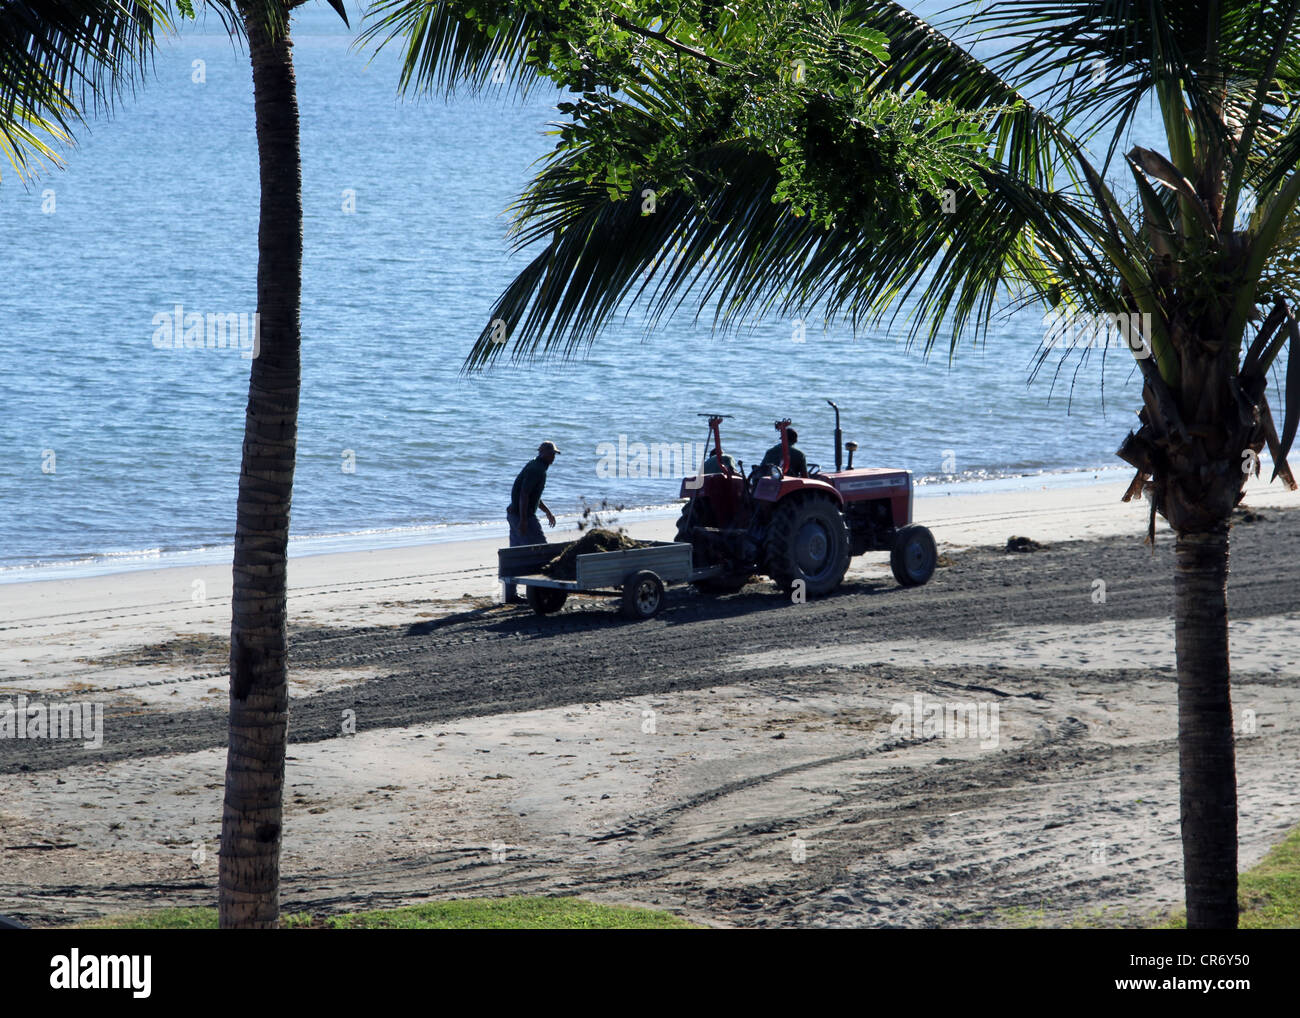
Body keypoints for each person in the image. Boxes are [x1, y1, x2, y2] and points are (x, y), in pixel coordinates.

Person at [505, 441, 559, 603]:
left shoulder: (537, 466)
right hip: (522, 516)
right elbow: (524, 494)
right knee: (542, 549)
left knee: (514, 554)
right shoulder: (537, 469)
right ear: (542, 453)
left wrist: (547, 511)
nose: (553, 457)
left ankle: (510, 595)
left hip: (515, 514)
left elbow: (533, 495)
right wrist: (523, 521)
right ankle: (544, 590)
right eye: (551, 454)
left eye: (554, 454)